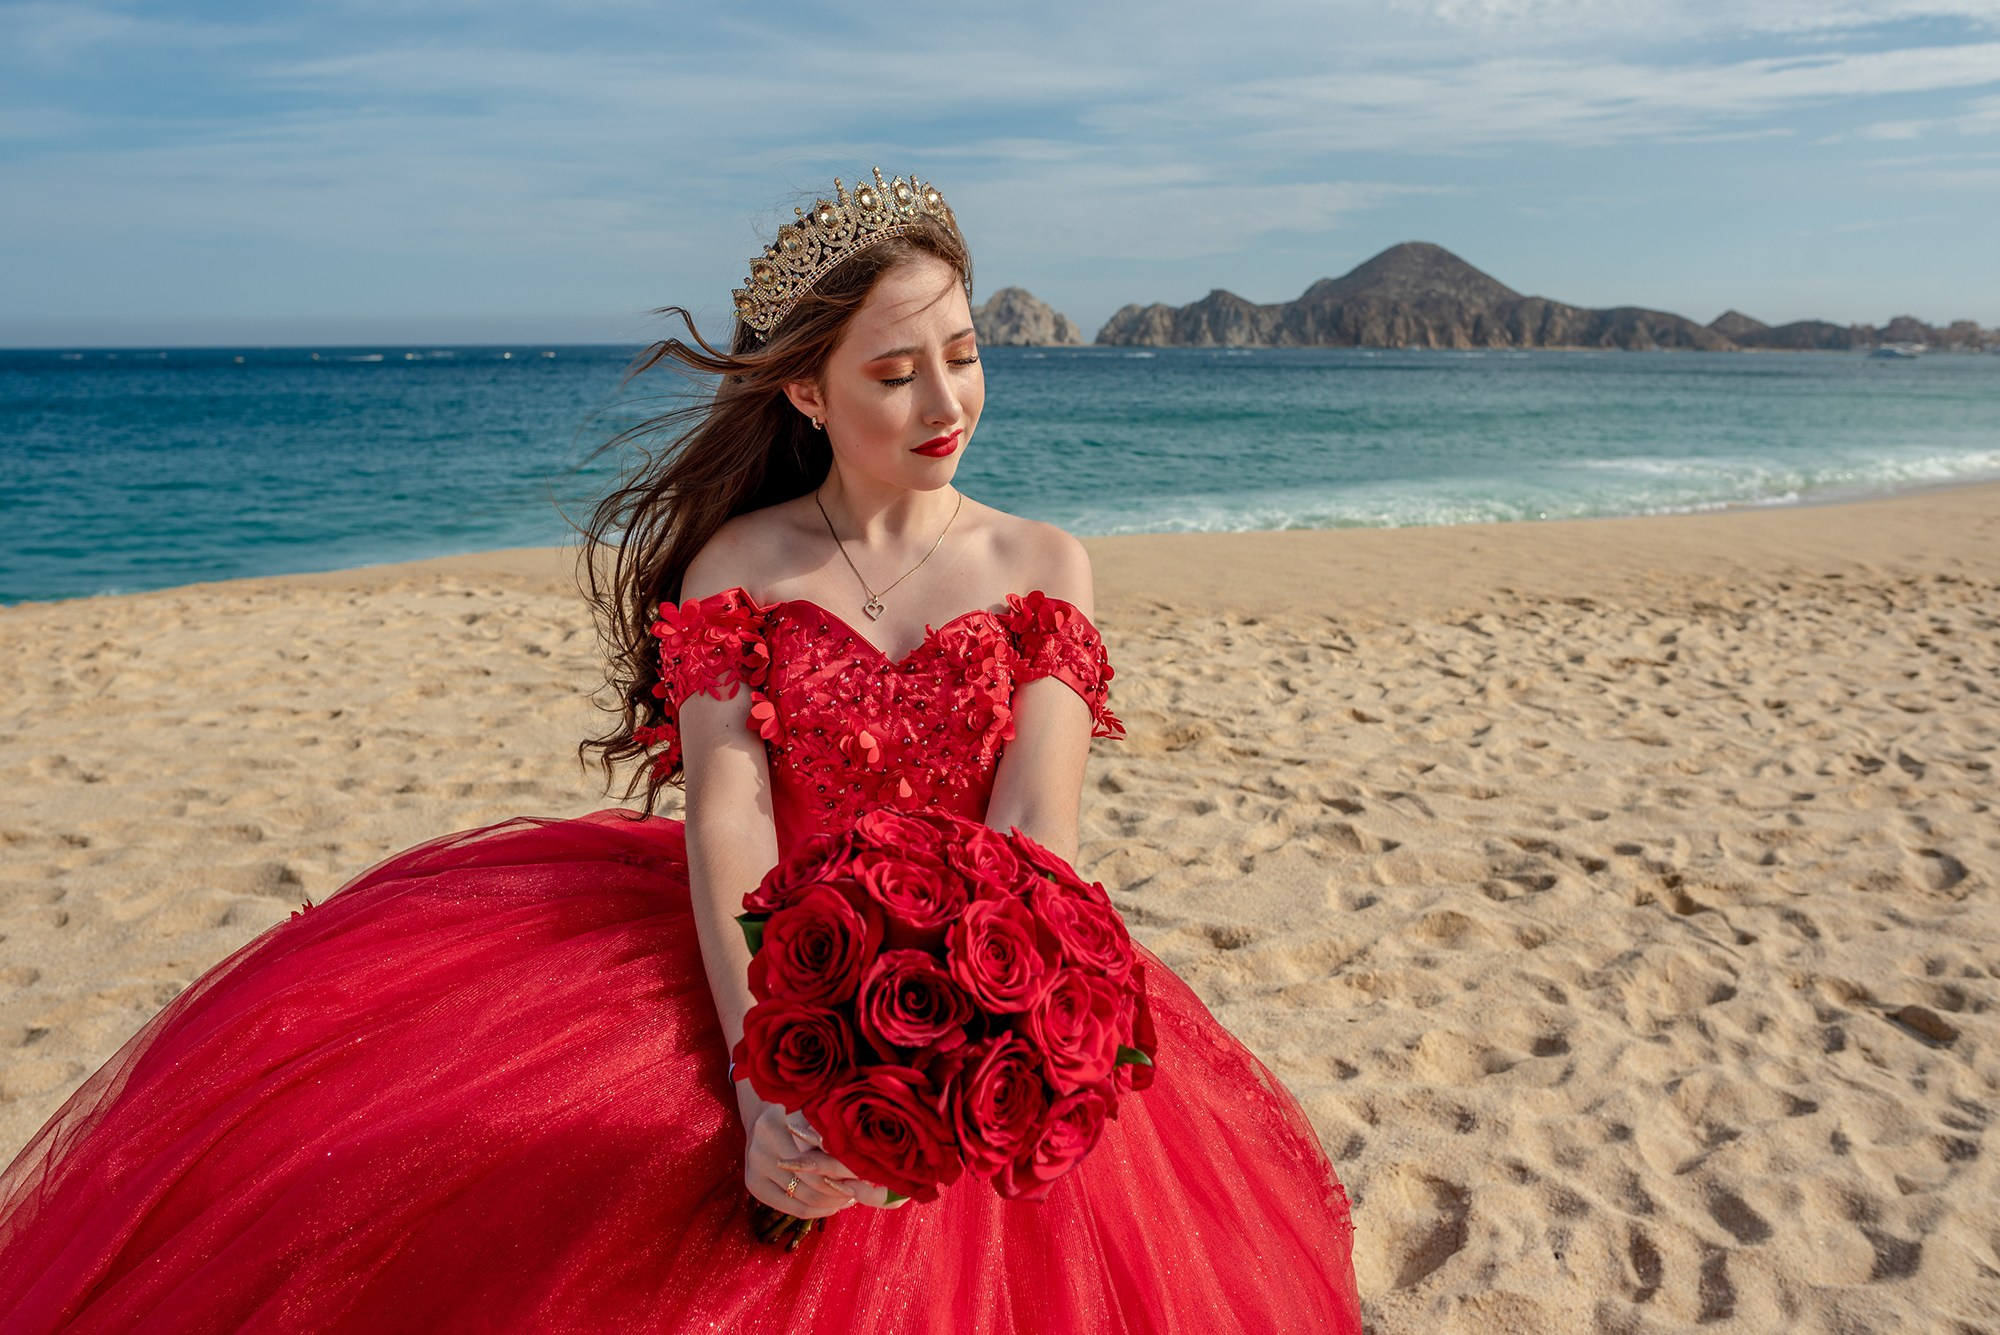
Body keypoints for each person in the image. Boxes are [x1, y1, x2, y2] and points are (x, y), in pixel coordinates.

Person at [0, 169, 1361, 1332]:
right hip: (763, 959)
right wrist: (772, 1073)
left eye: (964, 349)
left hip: (985, 980)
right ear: (808, 394)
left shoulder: (1043, 564)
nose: (947, 398)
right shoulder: (739, 565)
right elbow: (731, 820)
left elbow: (1036, 834)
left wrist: (945, 1066)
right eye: (894, 372)